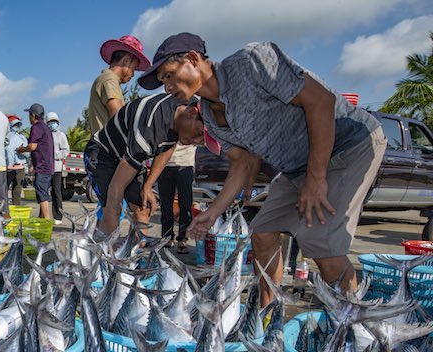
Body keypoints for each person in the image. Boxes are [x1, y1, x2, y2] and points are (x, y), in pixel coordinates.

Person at [138, 32, 386, 303]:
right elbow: (243, 163)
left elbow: (321, 100)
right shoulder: (209, 115)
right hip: (295, 167)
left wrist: (316, 179)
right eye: (163, 81)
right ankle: (267, 320)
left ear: (193, 59)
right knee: (262, 236)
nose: (167, 87)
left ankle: (353, 327)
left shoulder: (251, 61)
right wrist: (212, 213)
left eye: (169, 75)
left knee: (321, 244)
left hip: (348, 145)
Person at [89, 94, 221, 236]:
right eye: (200, 133)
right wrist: (111, 237)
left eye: (202, 141)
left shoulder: (192, 102)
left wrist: (148, 185)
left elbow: (168, 146)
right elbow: (117, 186)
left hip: (130, 154)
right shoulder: (149, 130)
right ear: (191, 113)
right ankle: (102, 251)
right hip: (103, 154)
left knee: (143, 208)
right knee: (112, 209)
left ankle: (135, 255)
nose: (196, 141)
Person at [88, 35, 151, 135]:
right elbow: (119, 118)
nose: (133, 74)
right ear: (126, 61)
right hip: (108, 148)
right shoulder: (110, 80)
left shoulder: (106, 79)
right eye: (133, 69)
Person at [16, 103, 54, 219]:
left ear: (32, 115)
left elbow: (32, 146)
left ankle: (46, 220)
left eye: (29, 115)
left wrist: (21, 149)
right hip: (48, 166)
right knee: (43, 192)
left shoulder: (36, 127)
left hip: (42, 167)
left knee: (42, 193)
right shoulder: (45, 127)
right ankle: (42, 219)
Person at [158, 143, 196, 253]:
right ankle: (167, 237)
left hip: (185, 163)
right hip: (164, 164)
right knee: (165, 204)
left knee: (185, 205)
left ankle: (182, 239)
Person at [46, 112, 70, 223]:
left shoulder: (61, 135)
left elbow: (66, 151)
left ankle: (58, 216)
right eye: (50, 122)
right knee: (45, 193)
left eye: (54, 122)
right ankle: (44, 215)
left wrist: (55, 155)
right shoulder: (46, 135)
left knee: (56, 192)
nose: (52, 124)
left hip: (56, 167)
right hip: (46, 168)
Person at [5, 114, 28, 205]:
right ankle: (3, 210)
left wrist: (22, 151)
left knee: (17, 192)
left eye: (18, 125)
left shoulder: (22, 138)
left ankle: (16, 209)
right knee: (3, 191)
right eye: (14, 125)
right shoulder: (5, 137)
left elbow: (28, 153)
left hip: (20, 167)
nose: (16, 127)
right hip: (7, 167)